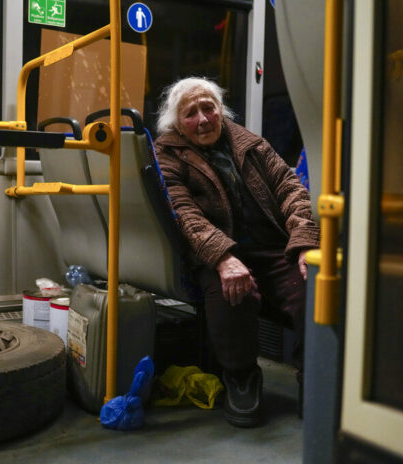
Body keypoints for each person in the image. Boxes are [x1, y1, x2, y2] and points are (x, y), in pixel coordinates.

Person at [154, 77, 320, 427]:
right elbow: (185, 213)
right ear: (176, 124)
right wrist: (224, 258)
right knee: (234, 295)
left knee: (315, 289)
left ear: (220, 111)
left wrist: (305, 244)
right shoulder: (168, 155)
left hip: (272, 247)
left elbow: (291, 190)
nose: (202, 119)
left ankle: (315, 379)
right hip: (215, 252)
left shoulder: (251, 143)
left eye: (208, 108)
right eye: (190, 113)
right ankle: (242, 377)